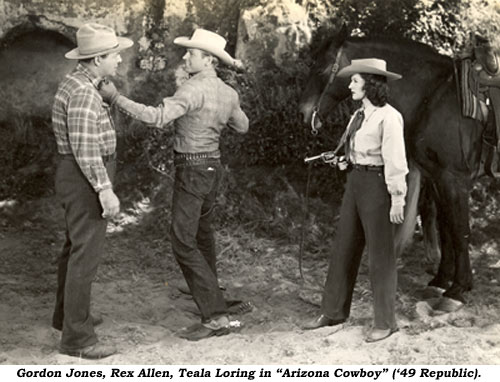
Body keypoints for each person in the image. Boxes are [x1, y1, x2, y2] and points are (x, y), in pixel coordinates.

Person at [99, 28, 249, 341]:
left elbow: (155, 117)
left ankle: (216, 316)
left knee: (182, 240)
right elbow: (243, 126)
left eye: (191, 53)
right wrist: (225, 101)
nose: (185, 56)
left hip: (193, 168)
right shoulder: (227, 92)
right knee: (202, 234)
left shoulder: (192, 89)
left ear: (207, 60)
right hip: (212, 168)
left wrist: (115, 98)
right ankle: (214, 298)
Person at [303, 58, 408, 342]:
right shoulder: (358, 115)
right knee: (344, 247)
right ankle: (334, 311)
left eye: (355, 81)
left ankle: (386, 322)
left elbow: (396, 161)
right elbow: (354, 151)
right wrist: (342, 161)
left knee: (380, 255)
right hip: (356, 183)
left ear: (370, 84)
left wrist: (398, 199)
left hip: (378, 185)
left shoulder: (390, 117)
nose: (350, 85)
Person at [51, 23, 133, 359]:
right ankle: (78, 340)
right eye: (115, 55)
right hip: (86, 175)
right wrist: (104, 189)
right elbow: (86, 149)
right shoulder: (84, 93)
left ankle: (67, 318)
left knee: (74, 250)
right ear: (98, 58)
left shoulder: (78, 82)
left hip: (76, 173)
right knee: (86, 255)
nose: (119, 61)